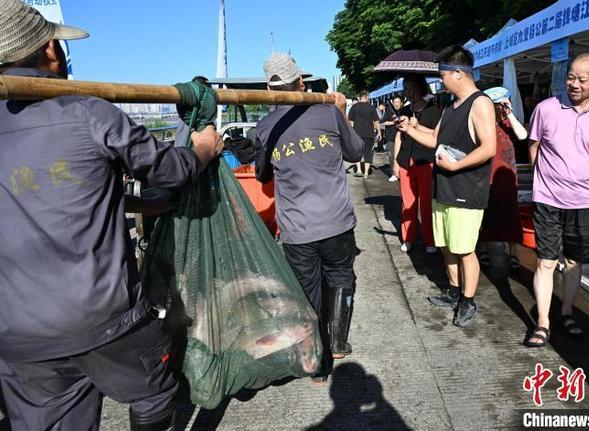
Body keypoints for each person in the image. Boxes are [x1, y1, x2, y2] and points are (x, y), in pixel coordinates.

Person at [0, 1, 223, 429]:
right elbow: (169, 169)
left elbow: (35, 201)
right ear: (50, 50)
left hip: (18, 332)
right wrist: (203, 149)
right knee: (156, 390)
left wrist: (137, 205)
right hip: (101, 317)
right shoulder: (88, 113)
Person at [255, 53, 364, 381]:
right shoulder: (328, 112)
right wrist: (342, 114)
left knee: (306, 292)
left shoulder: (264, 128)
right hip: (337, 222)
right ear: (301, 83)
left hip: (298, 231)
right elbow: (357, 152)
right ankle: (338, 342)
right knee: (341, 278)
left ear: (269, 88)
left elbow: (262, 176)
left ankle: (318, 366)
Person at [524, 53, 589, 348]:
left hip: (585, 200)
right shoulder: (546, 109)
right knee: (545, 261)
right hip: (548, 198)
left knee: (575, 261)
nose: (574, 84)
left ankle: (566, 312)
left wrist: (584, 173)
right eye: (570, 78)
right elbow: (534, 146)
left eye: (582, 79)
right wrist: (548, 178)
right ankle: (543, 322)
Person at [398, 45, 496, 327]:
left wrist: (455, 166)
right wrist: (410, 129)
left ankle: (468, 300)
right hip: (444, 187)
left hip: (467, 189)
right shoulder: (450, 106)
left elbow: (488, 148)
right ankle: (454, 290)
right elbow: (436, 140)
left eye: (442, 75)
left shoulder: (480, 103)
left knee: (465, 249)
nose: (440, 80)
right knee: (448, 246)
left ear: (458, 73)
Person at [477, 88, 528, 270]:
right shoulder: (484, 122)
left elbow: (523, 135)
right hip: (487, 174)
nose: (505, 106)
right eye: (501, 104)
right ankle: (483, 251)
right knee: (486, 213)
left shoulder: (508, 123)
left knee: (511, 214)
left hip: (507, 175)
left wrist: (510, 115)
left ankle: (514, 253)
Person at [393, 75, 441, 253]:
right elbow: (399, 136)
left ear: (421, 88)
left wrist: (417, 125)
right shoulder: (404, 111)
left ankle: (430, 240)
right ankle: (408, 238)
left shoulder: (434, 111)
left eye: (410, 88)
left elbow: (437, 136)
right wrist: (395, 162)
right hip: (406, 160)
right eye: (405, 88)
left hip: (425, 161)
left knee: (427, 204)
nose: (407, 92)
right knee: (407, 203)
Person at [348, 90, 381, 178]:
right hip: (369, 134)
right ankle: (366, 173)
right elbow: (376, 121)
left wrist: (350, 133)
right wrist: (379, 132)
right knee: (368, 153)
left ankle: (358, 170)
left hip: (356, 134)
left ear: (360, 97)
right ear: (367, 97)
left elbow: (351, 122)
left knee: (357, 152)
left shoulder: (354, 107)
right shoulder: (371, 107)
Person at [380, 95, 405, 182]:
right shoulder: (389, 111)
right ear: (392, 103)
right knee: (392, 155)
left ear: (401, 103)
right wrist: (393, 122)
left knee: (402, 155)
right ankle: (394, 173)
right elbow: (383, 123)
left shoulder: (405, 110)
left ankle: (402, 173)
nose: (397, 104)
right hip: (391, 136)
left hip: (403, 136)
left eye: (398, 102)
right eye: (395, 102)